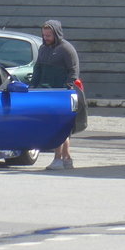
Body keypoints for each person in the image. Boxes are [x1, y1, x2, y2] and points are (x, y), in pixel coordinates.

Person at [32, 19, 80, 171]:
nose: (46, 38)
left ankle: (58, 158)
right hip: (46, 93)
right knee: (60, 128)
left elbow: (73, 71)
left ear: (56, 34)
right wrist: (33, 86)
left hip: (62, 94)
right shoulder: (42, 49)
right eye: (44, 35)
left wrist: (68, 88)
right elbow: (38, 69)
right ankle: (67, 159)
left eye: (49, 35)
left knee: (59, 127)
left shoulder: (67, 49)